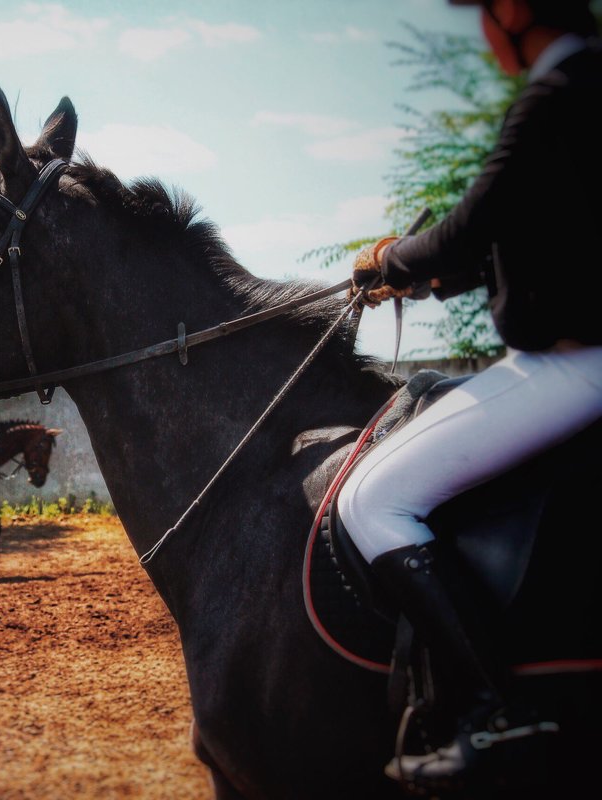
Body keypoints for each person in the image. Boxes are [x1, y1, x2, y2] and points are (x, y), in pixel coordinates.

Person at [339, 0, 602, 788]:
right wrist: (434, 281)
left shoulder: (559, 93)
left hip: (577, 366)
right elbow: (536, 238)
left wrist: (389, 258)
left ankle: (500, 713)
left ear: (513, 10)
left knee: (370, 501)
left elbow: (471, 224)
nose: (484, 37)